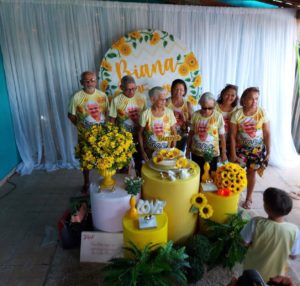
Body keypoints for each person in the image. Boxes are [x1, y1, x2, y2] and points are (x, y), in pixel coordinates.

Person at [240, 187, 300, 282]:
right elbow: (294, 255)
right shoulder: (294, 231)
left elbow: (243, 242)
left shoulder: (256, 223)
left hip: (252, 272)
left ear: (266, 207)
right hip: (276, 278)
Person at [68, 71, 109, 193]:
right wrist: (80, 126)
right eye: (87, 81)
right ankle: (86, 182)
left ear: (96, 81)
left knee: (104, 158)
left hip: (101, 135)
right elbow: (70, 115)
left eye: (92, 80)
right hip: (85, 136)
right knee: (86, 160)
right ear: (82, 83)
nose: (90, 83)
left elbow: (107, 113)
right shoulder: (76, 97)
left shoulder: (103, 96)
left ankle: (105, 179)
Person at [230, 87, 270, 209]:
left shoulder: (262, 112)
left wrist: (269, 152)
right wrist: (233, 153)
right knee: (237, 173)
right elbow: (232, 135)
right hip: (241, 150)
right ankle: (235, 196)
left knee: (251, 173)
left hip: (257, 151)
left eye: (256, 99)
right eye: (251, 99)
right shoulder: (237, 114)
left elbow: (267, 133)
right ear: (244, 100)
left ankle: (249, 198)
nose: (254, 101)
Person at [109, 75, 147, 174]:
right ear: (121, 88)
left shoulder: (142, 97)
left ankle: (139, 181)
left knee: (139, 160)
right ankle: (124, 183)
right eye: (128, 89)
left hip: (138, 135)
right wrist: (113, 136)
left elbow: (147, 117)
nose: (131, 92)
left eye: (133, 89)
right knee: (123, 163)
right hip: (123, 137)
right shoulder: (116, 100)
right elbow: (112, 119)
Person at [186, 92, 227, 177]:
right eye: (204, 108)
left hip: (212, 155)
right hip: (196, 153)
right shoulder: (195, 115)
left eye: (210, 108)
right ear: (200, 104)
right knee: (196, 176)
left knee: (211, 177)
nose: (207, 110)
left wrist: (224, 153)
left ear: (214, 106)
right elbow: (191, 134)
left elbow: (222, 136)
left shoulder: (218, 116)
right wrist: (187, 150)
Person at [138, 86, 177, 161]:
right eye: (162, 99)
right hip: (150, 153)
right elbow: (140, 133)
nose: (164, 102)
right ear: (153, 100)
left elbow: (174, 132)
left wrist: (173, 148)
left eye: (165, 99)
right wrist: (142, 151)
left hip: (166, 153)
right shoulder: (145, 114)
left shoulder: (169, 112)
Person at [166, 79, 193, 151]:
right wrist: (171, 119)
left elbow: (193, 125)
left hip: (182, 136)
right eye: (176, 89)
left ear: (184, 91)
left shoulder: (188, 104)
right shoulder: (166, 103)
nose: (178, 92)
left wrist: (185, 120)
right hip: (167, 136)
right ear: (172, 89)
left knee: (179, 157)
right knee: (167, 156)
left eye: (181, 90)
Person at [216, 84, 239, 155]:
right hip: (215, 140)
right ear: (222, 94)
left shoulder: (238, 109)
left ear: (236, 97)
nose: (229, 97)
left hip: (231, 142)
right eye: (227, 94)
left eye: (233, 95)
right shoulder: (214, 106)